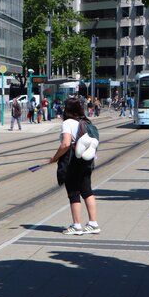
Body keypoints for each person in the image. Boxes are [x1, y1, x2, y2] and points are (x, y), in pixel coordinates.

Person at [47, 96, 100, 236]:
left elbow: (66, 144)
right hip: (86, 161)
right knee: (87, 191)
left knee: (73, 193)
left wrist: (54, 158)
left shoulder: (67, 123)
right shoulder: (85, 121)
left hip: (72, 162)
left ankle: (77, 226)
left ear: (67, 109)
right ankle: (93, 223)